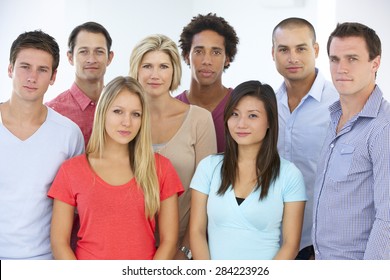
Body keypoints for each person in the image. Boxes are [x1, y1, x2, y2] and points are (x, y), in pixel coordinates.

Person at [48, 76, 184, 260]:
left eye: (136, 114)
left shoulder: (161, 168)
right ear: (103, 112)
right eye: (118, 111)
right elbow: (59, 242)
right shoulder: (71, 170)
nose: (127, 122)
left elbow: (169, 242)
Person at [190, 80, 307, 260]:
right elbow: (197, 232)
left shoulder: (289, 175)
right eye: (235, 114)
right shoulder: (208, 167)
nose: (241, 124)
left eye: (252, 116)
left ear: (270, 121)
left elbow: (290, 245)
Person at [129, 34, 217, 260]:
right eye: (147, 66)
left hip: (183, 245)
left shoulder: (199, 119)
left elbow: (206, 194)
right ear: (136, 70)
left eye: (163, 66)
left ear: (174, 71)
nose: (155, 75)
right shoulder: (124, 120)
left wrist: (186, 249)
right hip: (133, 243)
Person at [0, 30, 84, 260]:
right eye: (25, 66)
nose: (32, 77)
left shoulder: (69, 134)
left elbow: (77, 203)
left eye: (42, 70)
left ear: (54, 76)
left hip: (44, 259)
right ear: (10, 69)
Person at [313, 22, 390, 260]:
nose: (341, 68)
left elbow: (387, 219)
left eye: (352, 59)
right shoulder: (334, 116)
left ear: (375, 63)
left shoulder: (383, 128)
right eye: (335, 59)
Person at [271, 17, 339, 259]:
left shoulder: (339, 105)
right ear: (273, 53)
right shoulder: (267, 105)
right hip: (271, 239)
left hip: (318, 243)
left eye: (301, 48)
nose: (293, 58)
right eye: (284, 49)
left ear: (316, 50)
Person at [176, 13, 239, 153]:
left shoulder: (241, 105)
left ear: (227, 58)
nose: (207, 60)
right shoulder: (172, 108)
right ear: (187, 56)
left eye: (216, 52)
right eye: (199, 51)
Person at [46, 21, 114, 146]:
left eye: (99, 51)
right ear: (70, 57)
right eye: (83, 51)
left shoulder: (121, 106)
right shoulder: (51, 112)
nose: (92, 59)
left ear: (109, 58)